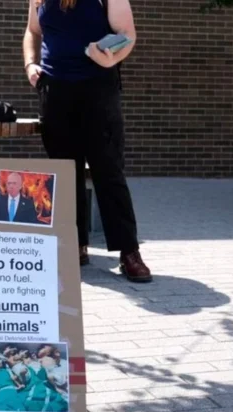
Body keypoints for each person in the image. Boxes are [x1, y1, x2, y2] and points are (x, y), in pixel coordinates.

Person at [22, 0, 152, 282]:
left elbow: (127, 34)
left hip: (97, 90)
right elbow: (33, 31)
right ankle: (75, 244)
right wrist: (31, 64)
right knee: (65, 173)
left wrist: (108, 57)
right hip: (55, 91)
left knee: (108, 171)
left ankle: (129, 251)